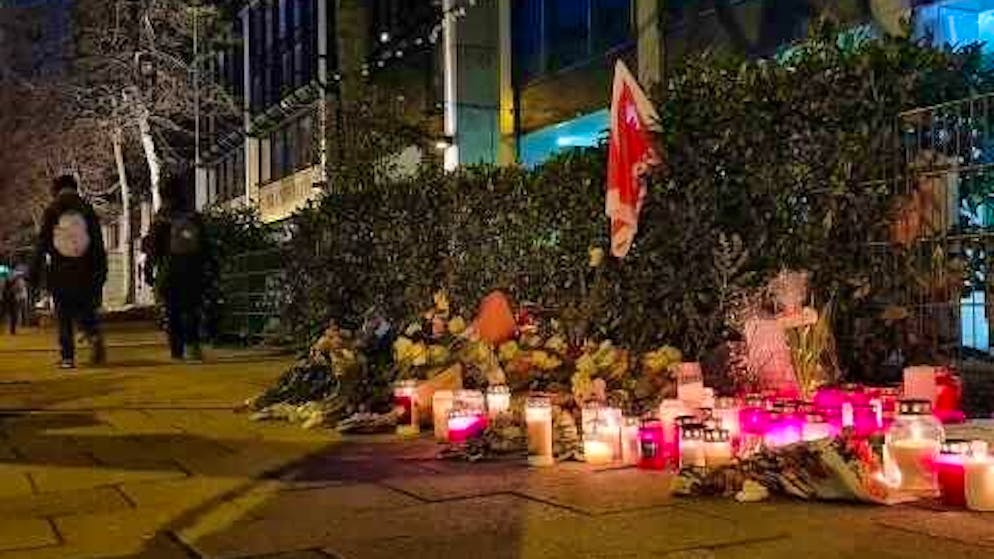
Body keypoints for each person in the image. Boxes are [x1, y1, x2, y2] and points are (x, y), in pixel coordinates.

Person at [29, 174, 107, 368]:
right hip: (86, 270)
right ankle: (93, 334)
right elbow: (97, 243)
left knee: (63, 314)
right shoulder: (86, 209)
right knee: (85, 308)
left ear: (56, 190)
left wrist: (35, 271)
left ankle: (67, 357)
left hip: (60, 270)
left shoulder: (53, 210)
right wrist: (101, 270)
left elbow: (42, 243)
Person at [145, 171, 207, 361]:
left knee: (173, 310)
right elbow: (204, 244)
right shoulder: (192, 215)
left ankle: (176, 350)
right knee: (191, 307)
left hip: (169, 268)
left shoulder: (162, 217)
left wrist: (149, 270)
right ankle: (193, 345)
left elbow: (153, 247)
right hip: (192, 268)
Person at [0, 271, 15, 335]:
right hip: (6, 300)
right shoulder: (8, 282)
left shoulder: (10, 282)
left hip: (7, 300)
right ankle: (11, 330)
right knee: (7, 314)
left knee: (7, 314)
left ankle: (12, 330)